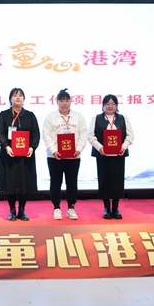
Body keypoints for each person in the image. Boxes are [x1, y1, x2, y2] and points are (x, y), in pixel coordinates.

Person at [0, 87, 40, 221]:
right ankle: (12, 210)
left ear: (24, 99)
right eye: (15, 95)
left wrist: (32, 147)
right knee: (10, 183)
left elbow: (35, 133)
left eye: (20, 95)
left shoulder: (30, 115)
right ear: (10, 99)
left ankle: (22, 210)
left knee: (24, 183)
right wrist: (6, 146)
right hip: (9, 154)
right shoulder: (4, 115)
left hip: (26, 155)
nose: (18, 97)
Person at [42, 88, 87, 220]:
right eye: (61, 101)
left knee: (72, 182)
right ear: (57, 102)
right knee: (56, 182)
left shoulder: (78, 116)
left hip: (73, 155)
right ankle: (56, 207)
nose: (64, 103)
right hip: (55, 156)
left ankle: (71, 208)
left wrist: (79, 149)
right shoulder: (50, 117)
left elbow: (83, 133)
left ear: (70, 102)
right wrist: (53, 150)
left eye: (67, 101)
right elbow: (46, 135)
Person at [87, 94, 134, 219]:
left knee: (117, 181)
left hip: (119, 155)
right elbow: (90, 136)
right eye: (107, 104)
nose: (110, 106)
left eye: (113, 104)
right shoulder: (96, 118)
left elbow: (130, 136)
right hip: (103, 155)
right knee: (105, 181)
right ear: (103, 106)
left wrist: (123, 147)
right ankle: (107, 208)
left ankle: (116, 208)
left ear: (117, 106)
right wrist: (100, 147)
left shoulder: (123, 118)